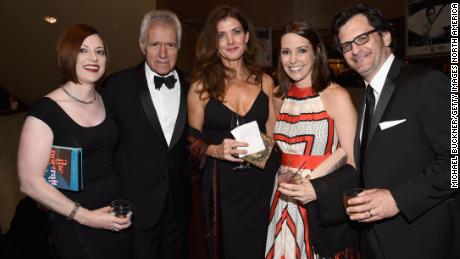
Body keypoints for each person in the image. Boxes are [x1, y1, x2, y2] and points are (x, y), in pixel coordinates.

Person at [332, 4, 459, 259]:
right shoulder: (366, 96)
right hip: (376, 242)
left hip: (424, 241)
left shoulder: (427, 83)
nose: (355, 50)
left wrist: (398, 199)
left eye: (362, 38)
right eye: (346, 45)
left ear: (386, 37)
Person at [17, 24, 132, 259]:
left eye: (100, 52)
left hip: (115, 216)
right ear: (67, 55)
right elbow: (29, 182)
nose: (93, 58)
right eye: (83, 50)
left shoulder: (105, 101)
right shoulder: (45, 111)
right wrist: (86, 217)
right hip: (76, 223)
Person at [187, 5, 279, 259]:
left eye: (236, 32)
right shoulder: (200, 87)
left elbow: (274, 135)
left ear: (247, 36)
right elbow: (190, 143)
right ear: (214, 42)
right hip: (223, 190)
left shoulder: (265, 81)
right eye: (222, 35)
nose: (230, 41)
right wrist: (213, 150)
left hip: (261, 184)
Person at [265, 21, 360, 259]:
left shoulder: (336, 96)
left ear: (316, 52)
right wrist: (226, 148)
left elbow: (353, 161)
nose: (293, 59)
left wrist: (316, 188)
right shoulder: (278, 96)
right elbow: (272, 146)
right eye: (286, 52)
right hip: (282, 198)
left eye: (301, 50)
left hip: (321, 201)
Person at [101, 9, 191, 259]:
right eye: (155, 44)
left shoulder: (193, 86)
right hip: (134, 211)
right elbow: (102, 147)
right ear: (142, 45)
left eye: (170, 45)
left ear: (179, 46)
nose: (163, 53)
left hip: (177, 210)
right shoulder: (116, 86)